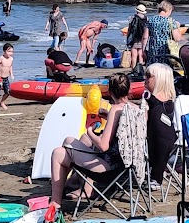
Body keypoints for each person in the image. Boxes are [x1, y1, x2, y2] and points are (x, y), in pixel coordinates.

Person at [47, 73, 133, 205]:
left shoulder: (116, 110)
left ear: (110, 92)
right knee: (84, 139)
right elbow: (125, 130)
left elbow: (103, 146)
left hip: (110, 169)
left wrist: (90, 131)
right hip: (130, 166)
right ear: (129, 89)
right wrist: (109, 117)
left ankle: (56, 201)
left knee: (64, 146)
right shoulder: (136, 109)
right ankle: (79, 184)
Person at [144, 61, 179, 182]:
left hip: (154, 147)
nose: (145, 78)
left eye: (148, 76)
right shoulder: (171, 101)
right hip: (168, 145)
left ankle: (155, 174)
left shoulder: (153, 104)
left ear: (158, 79)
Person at [146, 0, 177, 69]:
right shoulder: (171, 21)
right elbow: (177, 38)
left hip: (153, 50)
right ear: (168, 9)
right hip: (166, 49)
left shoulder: (151, 20)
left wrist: (143, 50)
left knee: (153, 69)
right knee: (165, 70)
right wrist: (177, 27)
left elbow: (145, 37)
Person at [0, 43, 14, 112]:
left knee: (8, 92)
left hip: (6, 78)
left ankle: (2, 102)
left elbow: (10, 66)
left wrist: (11, 74)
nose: (10, 53)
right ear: (4, 51)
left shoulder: (11, 59)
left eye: (12, 52)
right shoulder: (1, 58)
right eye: (9, 51)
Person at [124, 4, 148, 69]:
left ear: (137, 11)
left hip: (135, 39)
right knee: (141, 54)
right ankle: (140, 69)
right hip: (143, 38)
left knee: (134, 55)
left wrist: (128, 39)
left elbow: (130, 30)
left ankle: (134, 68)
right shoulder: (146, 19)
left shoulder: (134, 18)